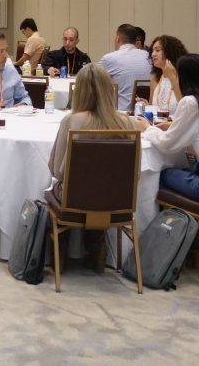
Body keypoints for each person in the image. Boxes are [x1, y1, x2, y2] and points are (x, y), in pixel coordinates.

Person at [47, 63, 139, 272]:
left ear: (79, 90)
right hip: (118, 202)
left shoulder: (72, 121)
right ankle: (96, 246)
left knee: (57, 190)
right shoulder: (128, 123)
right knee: (98, 192)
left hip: (75, 200)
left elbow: (57, 170)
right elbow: (136, 173)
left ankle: (59, 255)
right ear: (109, 89)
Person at [137, 54, 199, 205]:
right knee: (181, 171)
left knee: (158, 175)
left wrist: (147, 128)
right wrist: (174, 126)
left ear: (184, 78)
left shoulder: (191, 102)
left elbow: (168, 144)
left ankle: (161, 220)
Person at [98, 23, 153, 111]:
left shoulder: (109, 58)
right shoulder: (150, 57)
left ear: (117, 38)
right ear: (135, 41)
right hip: (146, 112)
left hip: (121, 113)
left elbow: (90, 79)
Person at [145, 35, 189, 115]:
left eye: (157, 50)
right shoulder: (155, 77)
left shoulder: (184, 75)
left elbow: (187, 109)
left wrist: (172, 78)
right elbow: (153, 108)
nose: (153, 54)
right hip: (158, 122)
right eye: (152, 51)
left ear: (170, 52)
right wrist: (147, 106)